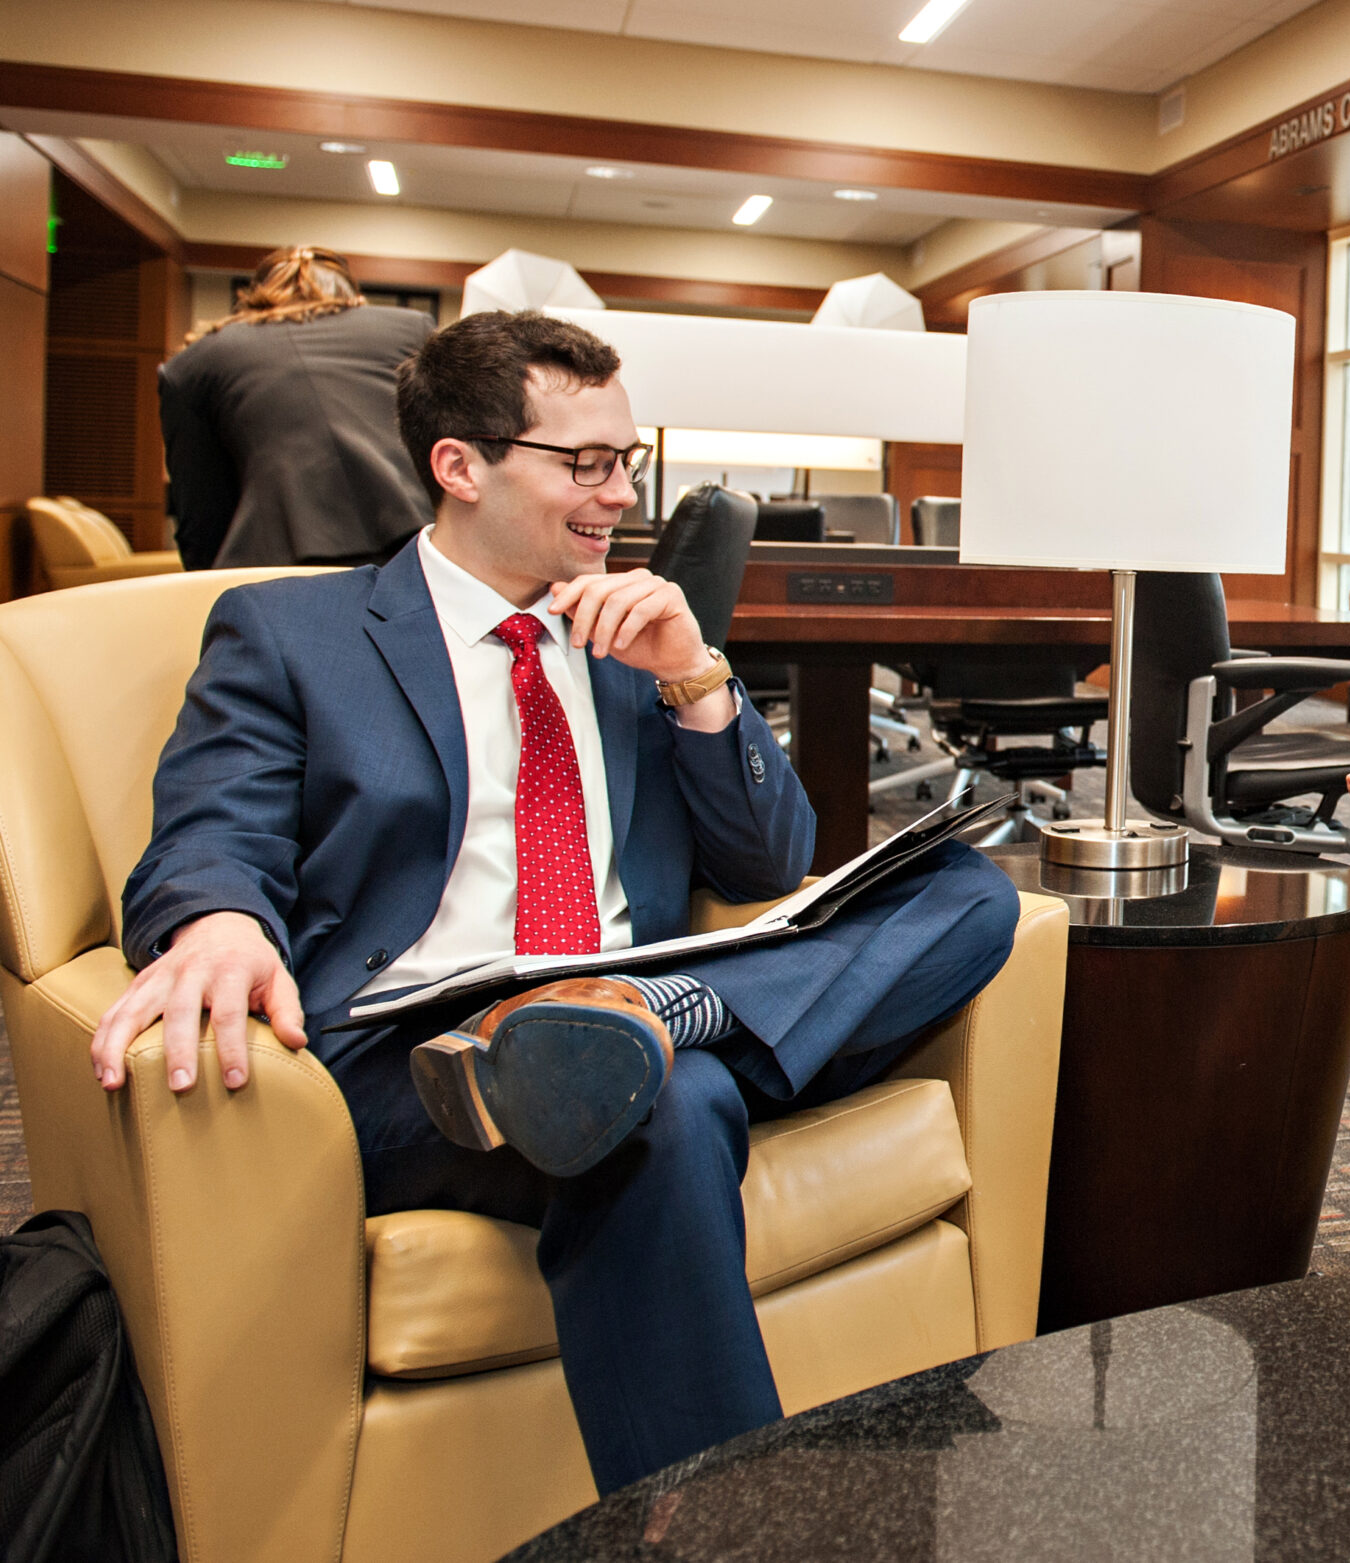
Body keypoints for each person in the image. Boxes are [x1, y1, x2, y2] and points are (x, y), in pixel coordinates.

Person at [92, 310, 1022, 1492]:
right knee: (667, 1107)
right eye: (584, 464)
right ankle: (733, 1517)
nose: (618, 496)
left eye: (627, 460)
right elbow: (213, 821)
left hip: (632, 989)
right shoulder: (297, 632)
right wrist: (218, 918)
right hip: (421, 1045)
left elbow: (765, 863)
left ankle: (660, 1017)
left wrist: (697, 678)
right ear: (460, 465)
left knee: (966, 892)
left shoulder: (628, 633)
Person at [157, 245, 436, 569]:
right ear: (351, 294)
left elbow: (202, 511)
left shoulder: (195, 361)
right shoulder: (411, 329)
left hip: (274, 561)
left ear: (256, 293)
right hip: (413, 541)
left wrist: (209, 590)